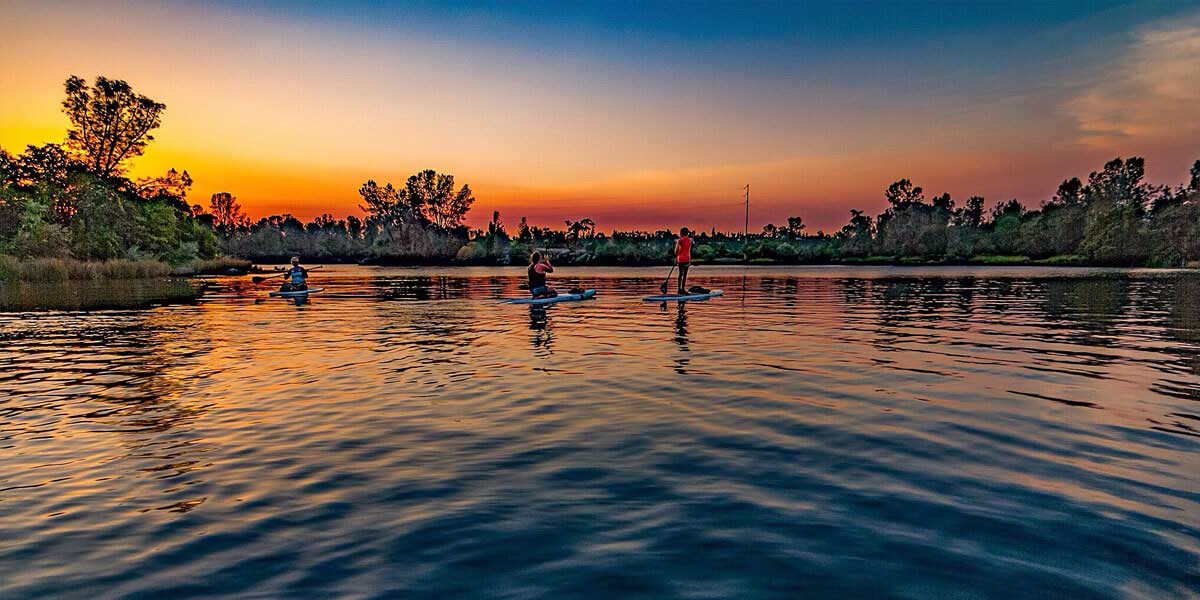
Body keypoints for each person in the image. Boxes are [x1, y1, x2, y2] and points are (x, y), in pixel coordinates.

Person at [675, 227, 693, 294]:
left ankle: (679, 289)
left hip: (680, 259)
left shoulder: (680, 240)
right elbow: (688, 250)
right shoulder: (690, 240)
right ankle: (682, 289)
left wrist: (678, 253)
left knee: (680, 274)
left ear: (682, 233)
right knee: (684, 275)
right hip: (687, 259)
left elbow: (676, 251)